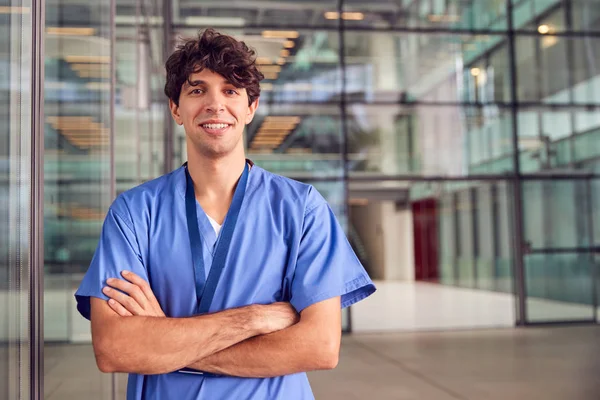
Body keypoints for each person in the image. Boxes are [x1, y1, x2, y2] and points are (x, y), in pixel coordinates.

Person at [75, 28, 376, 400]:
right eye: (197, 90)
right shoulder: (135, 213)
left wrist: (164, 338)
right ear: (176, 108)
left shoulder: (301, 209)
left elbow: (319, 347)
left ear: (251, 108)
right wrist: (254, 319)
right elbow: (114, 349)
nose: (215, 105)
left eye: (231, 91)